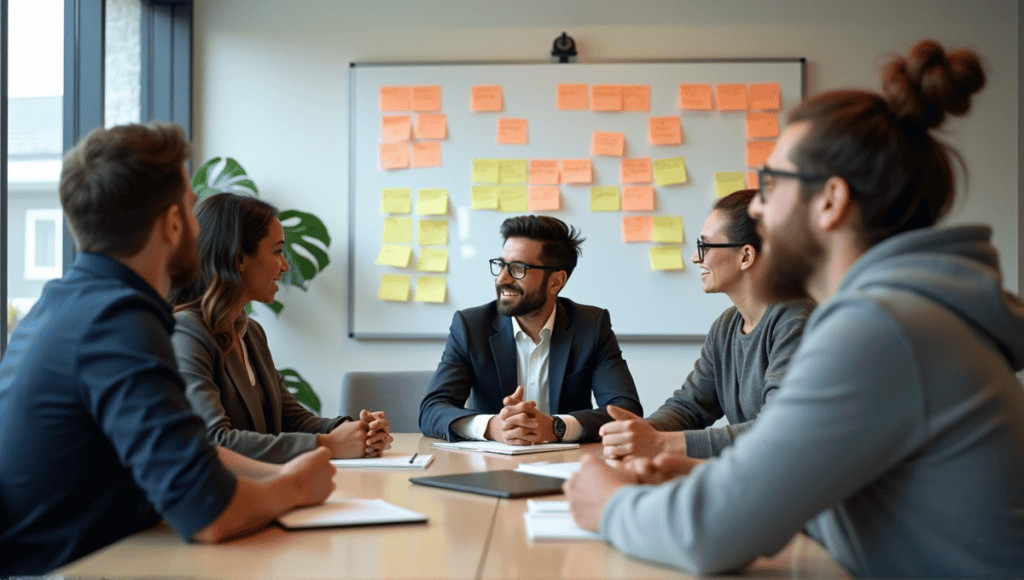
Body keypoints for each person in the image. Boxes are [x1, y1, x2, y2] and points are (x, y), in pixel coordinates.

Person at [564, 39, 1024, 578]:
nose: (758, 207)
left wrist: (608, 504)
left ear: (830, 200)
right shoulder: (906, 315)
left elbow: (710, 535)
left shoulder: (880, 328)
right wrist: (689, 476)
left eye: (770, 184)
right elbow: (833, 502)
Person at [0, 123, 336, 576]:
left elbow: (189, 451)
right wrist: (294, 488)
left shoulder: (61, 305)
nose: (201, 228)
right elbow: (210, 513)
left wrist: (280, 475)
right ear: (173, 224)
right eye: (193, 211)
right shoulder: (117, 322)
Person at [169, 193, 392, 463]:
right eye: (277, 251)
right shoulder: (187, 333)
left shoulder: (250, 332)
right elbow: (216, 441)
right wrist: (330, 445)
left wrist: (354, 431)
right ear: (239, 257)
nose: (285, 266)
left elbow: (292, 419)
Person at [599, 189, 813, 461]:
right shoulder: (725, 326)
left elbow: (775, 428)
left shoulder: (795, 319)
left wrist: (660, 443)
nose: (695, 258)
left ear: (745, 256)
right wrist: (640, 432)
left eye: (706, 246)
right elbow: (689, 406)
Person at [419, 215, 643, 444]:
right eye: (501, 265)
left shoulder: (591, 326)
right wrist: (491, 427)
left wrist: (557, 427)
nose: (501, 279)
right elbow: (432, 410)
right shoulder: (471, 326)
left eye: (518, 268)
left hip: (569, 466)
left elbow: (626, 410)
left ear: (555, 282)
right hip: (493, 466)